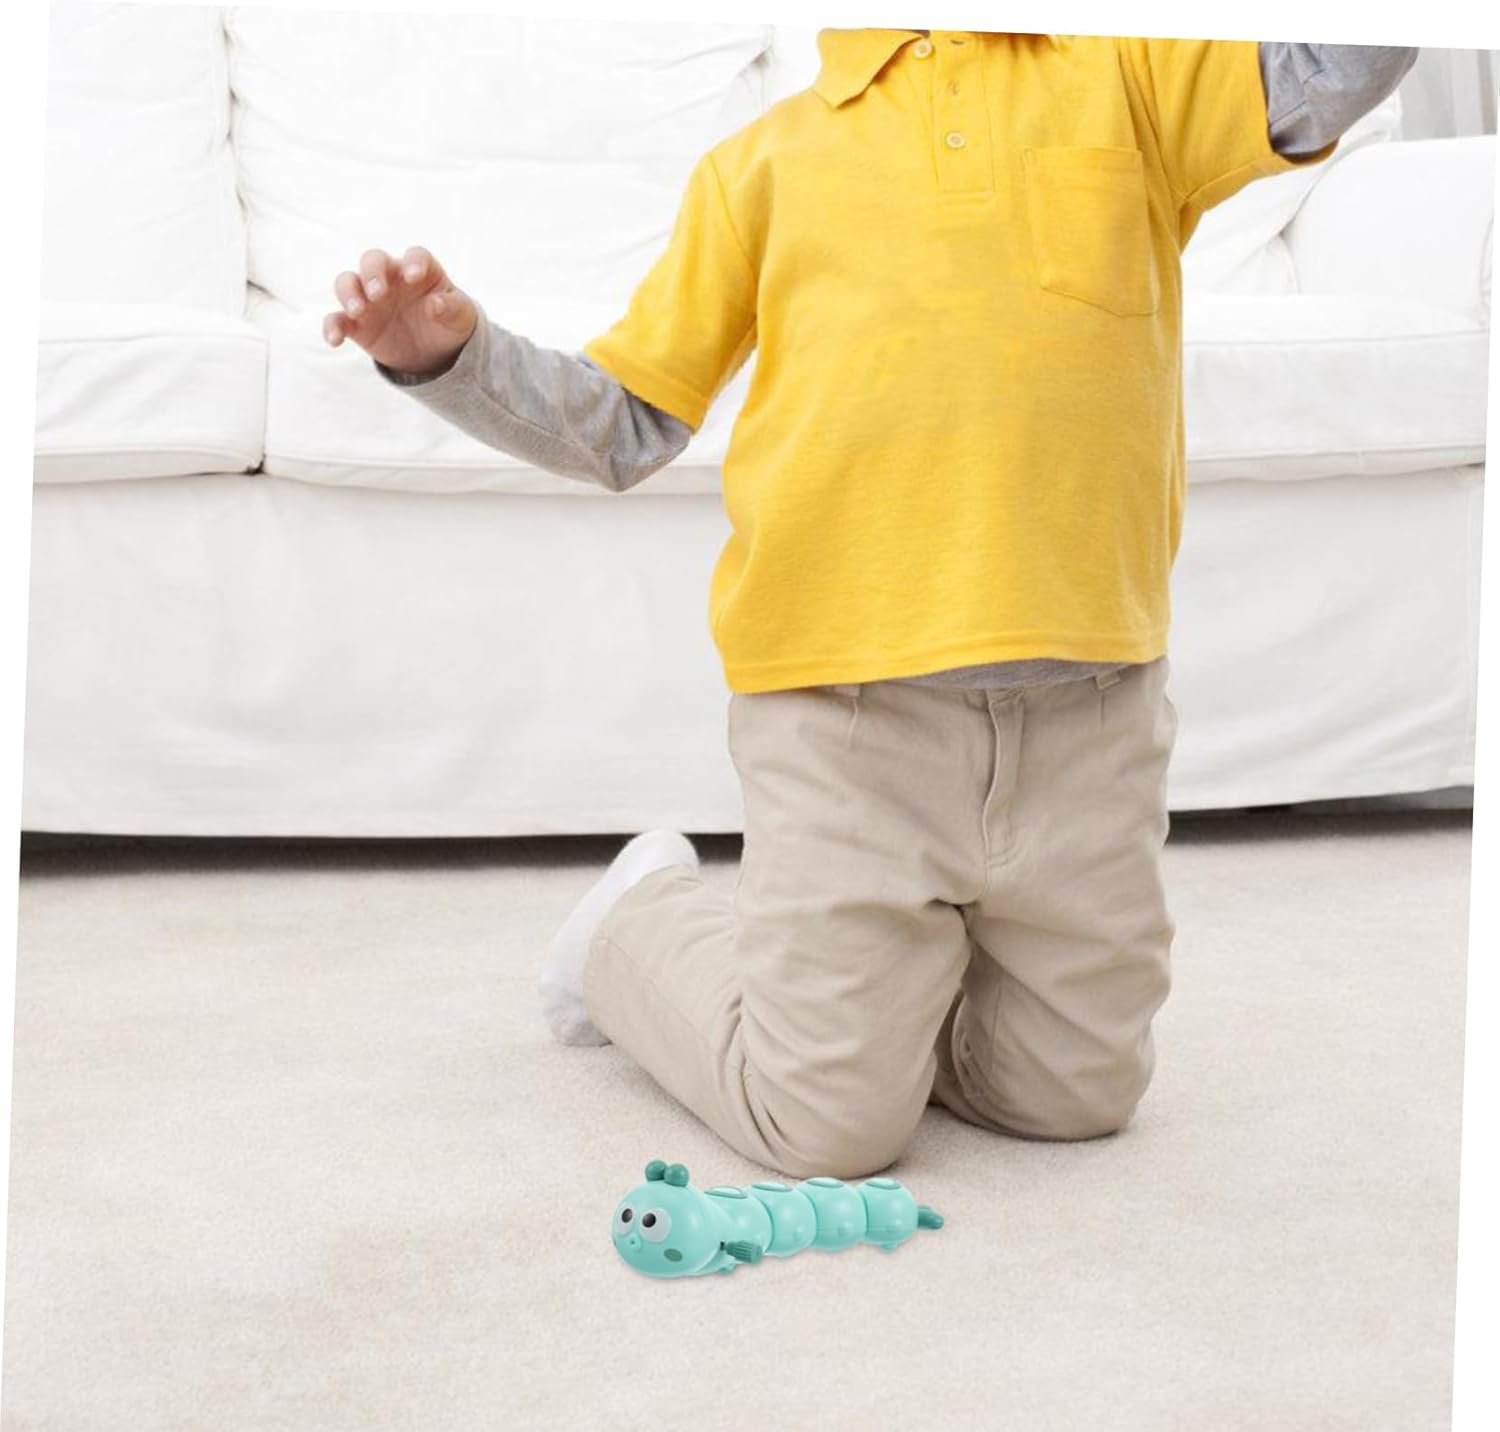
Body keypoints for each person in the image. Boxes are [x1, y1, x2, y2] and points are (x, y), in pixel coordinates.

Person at [323, 31, 1418, 1177]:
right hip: (845, 724)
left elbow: (1331, 70)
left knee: (1074, 1099)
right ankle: (642, 921)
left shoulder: (1134, 79)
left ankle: (886, 997)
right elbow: (625, 424)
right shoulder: (762, 166)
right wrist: (452, 361)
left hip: (1093, 718)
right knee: (824, 1126)